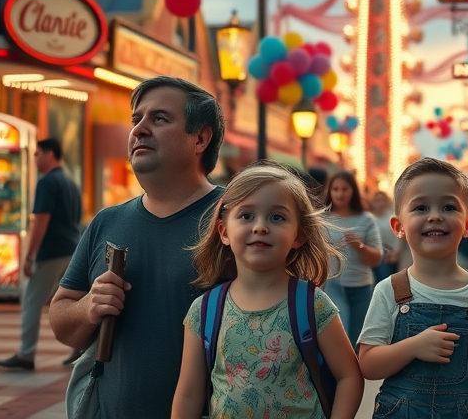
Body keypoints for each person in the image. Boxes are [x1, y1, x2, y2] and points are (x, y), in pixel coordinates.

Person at [49, 76, 225, 419]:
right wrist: (88, 307)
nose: (140, 129)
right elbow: (60, 321)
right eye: (136, 120)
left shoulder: (237, 220)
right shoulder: (106, 222)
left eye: (159, 119)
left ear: (200, 138)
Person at [171, 161, 364, 419]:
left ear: (298, 235)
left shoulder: (313, 305)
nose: (260, 226)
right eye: (246, 215)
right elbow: (189, 393)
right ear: (224, 231)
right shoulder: (204, 311)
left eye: (277, 217)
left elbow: (349, 376)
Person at [357, 157, 468, 419]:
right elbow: (368, 364)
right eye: (420, 208)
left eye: (448, 207)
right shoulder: (389, 290)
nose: (434, 216)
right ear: (399, 227)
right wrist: (413, 346)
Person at [0, 138, 82, 370]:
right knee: (74, 298)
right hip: (72, 249)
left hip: (52, 251)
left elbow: (41, 220)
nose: (35, 159)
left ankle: (26, 354)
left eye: (38, 154)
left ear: (50, 154)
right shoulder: (70, 183)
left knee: (31, 299)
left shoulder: (47, 183)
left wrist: (30, 255)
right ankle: (80, 347)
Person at [323, 170, 382, 349]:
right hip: (331, 286)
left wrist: (360, 246)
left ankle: (354, 375)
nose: (340, 193)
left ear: (353, 191)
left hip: (360, 288)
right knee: (337, 338)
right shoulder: (322, 219)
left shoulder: (366, 220)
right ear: (330, 191)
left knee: (356, 338)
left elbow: (377, 259)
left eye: (345, 189)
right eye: (336, 189)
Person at [370, 191, 400, 283]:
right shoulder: (369, 219)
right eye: (377, 200)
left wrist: (396, 253)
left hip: (394, 255)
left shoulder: (393, 218)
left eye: (383, 200)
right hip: (377, 256)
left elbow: (399, 238)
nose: (380, 203)